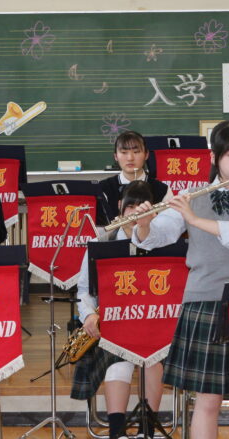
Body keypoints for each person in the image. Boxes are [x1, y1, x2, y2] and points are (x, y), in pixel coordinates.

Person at [132, 120, 229, 439]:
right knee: (207, 399)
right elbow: (158, 236)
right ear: (215, 158)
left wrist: (195, 219)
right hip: (204, 300)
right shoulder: (190, 196)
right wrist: (144, 224)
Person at [72, 181, 164, 439]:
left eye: (142, 207)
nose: (135, 213)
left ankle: (147, 430)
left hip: (153, 324)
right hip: (113, 325)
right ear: (120, 207)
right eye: (130, 206)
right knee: (118, 364)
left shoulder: (163, 242)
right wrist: (89, 314)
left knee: (153, 361)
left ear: (153, 211)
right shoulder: (102, 241)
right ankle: (116, 432)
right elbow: (84, 289)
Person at [99, 131, 172, 223]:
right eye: (124, 152)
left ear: (146, 155)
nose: (130, 158)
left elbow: (169, 226)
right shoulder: (103, 189)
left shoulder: (162, 190)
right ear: (116, 156)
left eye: (136, 152)